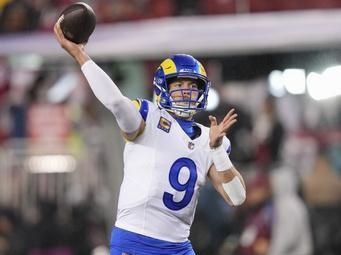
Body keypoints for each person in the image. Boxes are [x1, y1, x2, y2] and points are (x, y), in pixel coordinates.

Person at [54, 17, 246, 255]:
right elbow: (115, 102)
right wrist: (80, 56)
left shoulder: (211, 138)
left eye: (192, 85)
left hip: (179, 246)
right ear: (163, 88)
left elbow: (236, 197)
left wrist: (217, 150)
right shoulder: (148, 116)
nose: (186, 90)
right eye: (178, 85)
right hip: (136, 240)